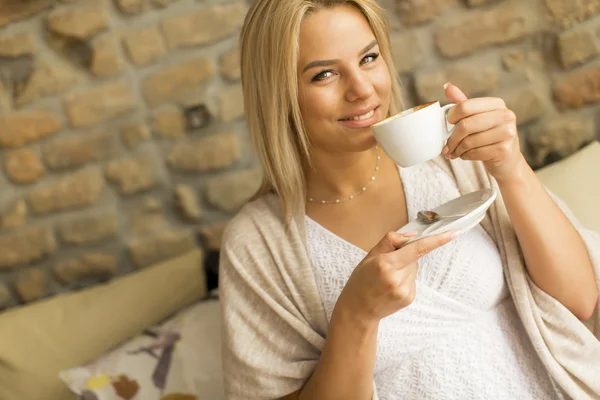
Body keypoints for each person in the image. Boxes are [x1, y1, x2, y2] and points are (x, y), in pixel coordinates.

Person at [219, 1, 600, 399]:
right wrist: (355, 317)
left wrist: (511, 168)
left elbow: (580, 300)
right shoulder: (258, 243)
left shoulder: (458, 160)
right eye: (325, 74)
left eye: (368, 58)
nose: (362, 89)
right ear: (277, 93)